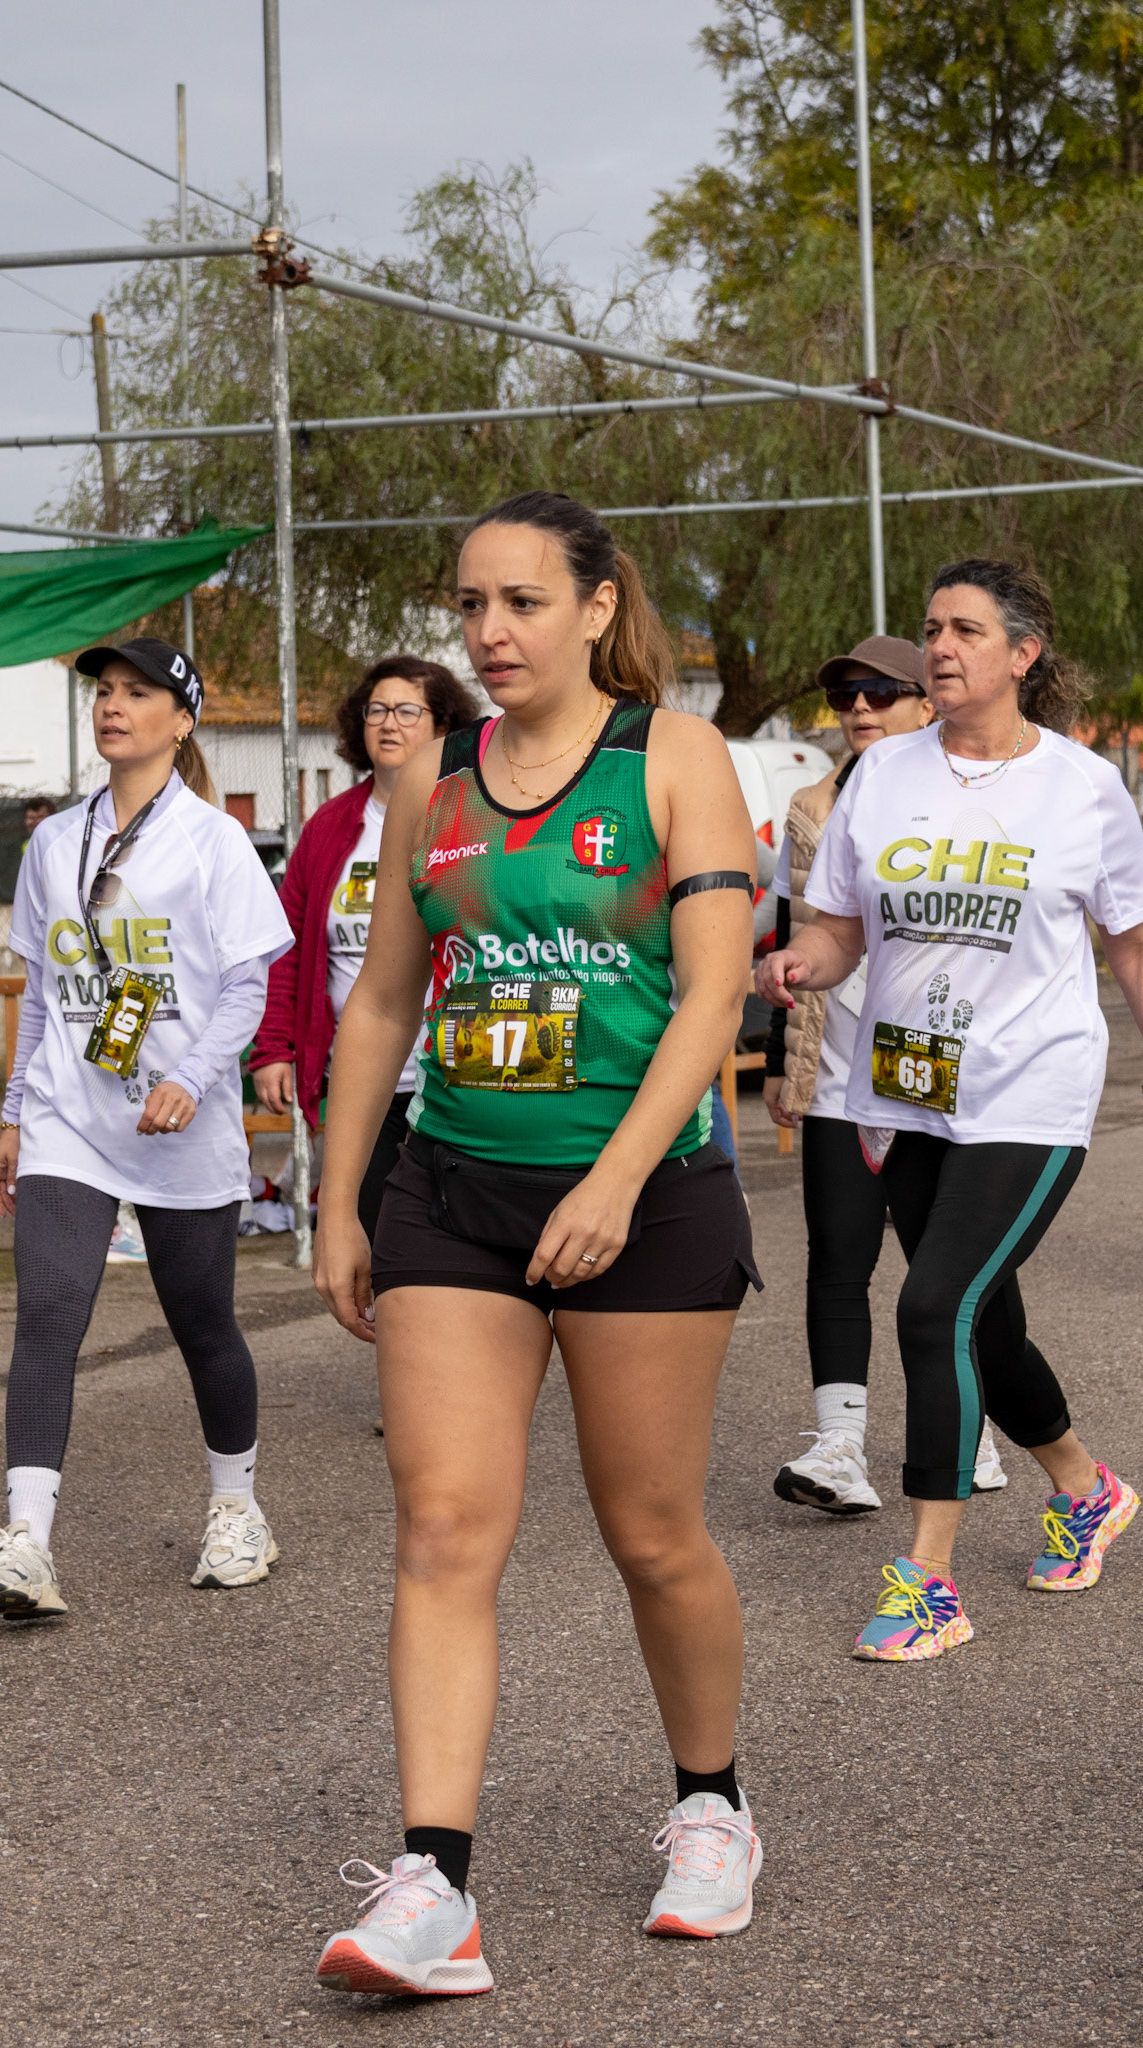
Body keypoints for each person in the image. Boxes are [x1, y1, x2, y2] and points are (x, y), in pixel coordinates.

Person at [312, 490, 762, 1998]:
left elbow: (715, 995)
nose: (489, 633)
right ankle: (432, 1887)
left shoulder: (673, 757)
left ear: (594, 605)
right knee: (444, 1529)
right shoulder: (429, 781)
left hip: (644, 1194)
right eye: (469, 606)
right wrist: (341, 1200)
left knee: (653, 1534)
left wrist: (616, 1182)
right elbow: (385, 1000)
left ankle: (713, 1806)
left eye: (521, 602)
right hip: (454, 1191)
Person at [758, 559, 1143, 1661]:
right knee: (984, 1320)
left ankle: (927, 1581)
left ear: (1023, 653)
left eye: (966, 629)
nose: (939, 647)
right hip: (910, 1088)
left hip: (1034, 1089)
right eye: (931, 628)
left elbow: (1128, 945)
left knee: (931, 1309)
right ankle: (1087, 1488)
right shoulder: (882, 777)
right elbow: (841, 928)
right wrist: (802, 962)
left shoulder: (1083, 787)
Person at [0, 638, 293, 1618]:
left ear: (182, 719)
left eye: (137, 693)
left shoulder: (212, 841)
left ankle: (237, 1508)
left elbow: (247, 985)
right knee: (49, 1312)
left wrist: (195, 1080)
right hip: (68, 1118)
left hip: (180, 1126)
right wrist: (15, 1113)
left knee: (203, 1325)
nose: (113, 706)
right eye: (104, 692)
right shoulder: (52, 842)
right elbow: (43, 990)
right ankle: (26, 1542)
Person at [765, 636, 1007, 1511]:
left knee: (950, 1268)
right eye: (845, 698)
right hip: (837, 1069)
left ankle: (972, 1429)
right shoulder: (810, 807)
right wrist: (779, 1057)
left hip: (941, 1071)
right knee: (837, 1257)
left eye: (880, 693)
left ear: (927, 703)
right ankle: (839, 1449)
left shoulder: (973, 797)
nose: (859, 710)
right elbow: (792, 932)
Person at [250, 655, 479, 1240]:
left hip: (458, 1076)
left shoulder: (475, 817)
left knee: (457, 1237)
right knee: (376, 1236)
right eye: (376, 710)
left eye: (407, 711)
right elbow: (288, 947)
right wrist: (273, 1047)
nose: (388, 723)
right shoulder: (329, 827)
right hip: (363, 1080)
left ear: (443, 726)